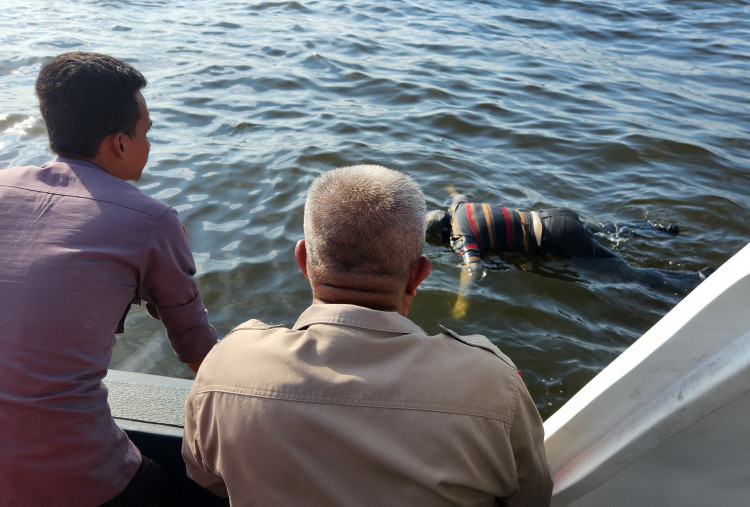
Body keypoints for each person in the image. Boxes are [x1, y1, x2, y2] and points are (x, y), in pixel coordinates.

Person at [182, 165, 553, 506]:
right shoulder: (491, 386)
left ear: (303, 262)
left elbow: (205, 477)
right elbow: (531, 497)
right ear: (418, 275)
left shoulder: (226, 368)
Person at [0, 52, 219, 506]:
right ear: (120, 143)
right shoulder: (150, 219)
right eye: (147, 133)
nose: (149, 145)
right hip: (73, 478)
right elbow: (198, 351)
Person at [427, 192, 707, 318]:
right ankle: (657, 230)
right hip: (556, 216)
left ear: (442, 235)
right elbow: (459, 194)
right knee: (609, 231)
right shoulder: (459, 210)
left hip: (555, 238)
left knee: (624, 273)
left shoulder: (463, 238)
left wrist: (461, 299)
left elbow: (473, 269)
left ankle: (693, 280)